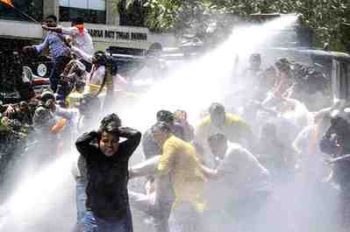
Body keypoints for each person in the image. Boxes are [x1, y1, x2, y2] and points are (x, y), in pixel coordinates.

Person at [130, 122, 206, 232]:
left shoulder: (167, 151)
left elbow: (162, 168)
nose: (156, 140)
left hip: (178, 205)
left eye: (156, 137)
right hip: (185, 203)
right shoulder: (187, 149)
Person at [75, 113, 141, 232]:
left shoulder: (122, 151)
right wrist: (99, 131)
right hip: (95, 209)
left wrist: (117, 130)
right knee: (83, 221)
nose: (109, 145)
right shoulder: (92, 151)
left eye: (114, 141)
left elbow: (136, 135)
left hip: (118, 209)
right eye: (105, 141)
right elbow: (80, 143)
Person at [202, 133, 270, 231]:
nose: (213, 153)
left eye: (214, 149)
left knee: (243, 219)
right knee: (234, 214)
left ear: (222, 143)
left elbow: (215, 175)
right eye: (212, 150)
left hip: (258, 190)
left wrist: (196, 164)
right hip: (251, 191)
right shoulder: (228, 152)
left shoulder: (233, 152)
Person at [23, 15, 71, 92]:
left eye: (50, 21)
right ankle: (63, 92)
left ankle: (53, 94)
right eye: (47, 22)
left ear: (56, 22)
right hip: (56, 59)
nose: (48, 23)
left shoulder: (61, 30)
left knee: (53, 77)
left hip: (63, 57)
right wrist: (33, 48)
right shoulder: (49, 34)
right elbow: (43, 46)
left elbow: (69, 39)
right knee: (61, 78)